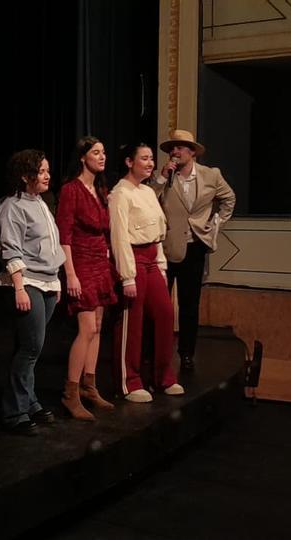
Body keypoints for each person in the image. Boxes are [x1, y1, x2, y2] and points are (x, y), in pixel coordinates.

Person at [152, 129, 236, 371]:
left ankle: (187, 353)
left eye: (179, 147)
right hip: (167, 247)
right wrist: (161, 179)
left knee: (190, 305)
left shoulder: (211, 175)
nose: (174, 152)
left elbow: (229, 199)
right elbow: (149, 200)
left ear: (192, 152)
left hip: (195, 246)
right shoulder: (164, 176)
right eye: (172, 148)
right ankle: (154, 352)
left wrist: (216, 222)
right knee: (160, 305)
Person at [0, 149, 65, 434]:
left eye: (47, 170)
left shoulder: (42, 203)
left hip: (47, 281)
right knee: (31, 347)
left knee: (30, 347)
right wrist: (19, 287)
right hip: (28, 282)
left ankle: (30, 400)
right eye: (41, 171)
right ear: (25, 176)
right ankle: (14, 412)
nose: (47, 176)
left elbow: (51, 247)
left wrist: (56, 282)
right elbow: (10, 248)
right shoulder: (12, 206)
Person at [110, 143, 182, 403]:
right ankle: (129, 381)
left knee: (165, 313)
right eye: (144, 158)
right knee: (132, 319)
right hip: (134, 259)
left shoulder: (149, 191)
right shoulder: (120, 193)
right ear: (129, 162)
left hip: (152, 259)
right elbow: (119, 237)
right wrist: (127, 275)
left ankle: (163, 376)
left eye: (152, 158)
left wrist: (161, 265)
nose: (150, 163)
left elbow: (157, 233)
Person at [55, 136, 118, 421]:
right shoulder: (72, 190)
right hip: (80, 262)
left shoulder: (100, 189)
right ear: (83, 157)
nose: (102, 157)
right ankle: (70, 393)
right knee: (87, 327)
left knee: (98, 326)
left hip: (100, 261)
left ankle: (89, 386)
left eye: (103, 152)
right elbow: (64, 235)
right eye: (96, 152)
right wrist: (70, 274)